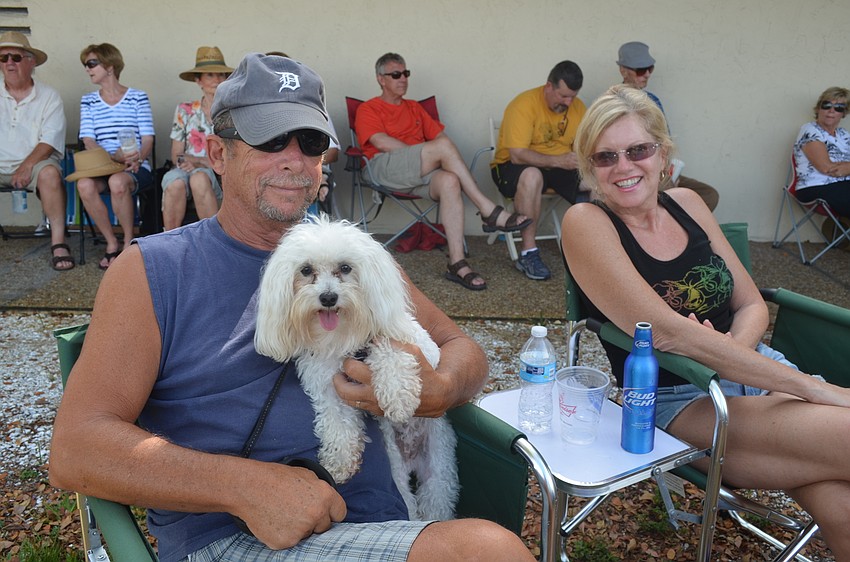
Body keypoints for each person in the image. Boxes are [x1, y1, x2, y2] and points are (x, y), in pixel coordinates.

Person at [50, 53, 534, 562]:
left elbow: (465, 352)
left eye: (309, 142)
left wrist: (438, 390)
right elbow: (76, 448)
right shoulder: (154, 270)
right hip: (238, 537)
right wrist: (244, 487)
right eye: (270, 140)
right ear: (217, 153)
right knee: (486, 554)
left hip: (386, 520)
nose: (293, 158)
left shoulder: (351, 259)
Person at [561, 84, 850, 559]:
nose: (624, 166)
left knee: (841, 508)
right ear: (590, 168)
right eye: (605, 157)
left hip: (753, 371)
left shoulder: (689, 205)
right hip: (681, 400)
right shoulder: (586, 221)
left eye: (638, 149)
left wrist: (732, 351)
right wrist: (814, 388)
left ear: (663, 152)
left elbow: (752, 304)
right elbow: (669, 333)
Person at [355, 52, 531, 291]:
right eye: (396, 74)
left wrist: (434, 156)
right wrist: (427, 155)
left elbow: (441, 139)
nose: (403, 79)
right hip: (383, 168)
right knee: (441, 149)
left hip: (417, 172)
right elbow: (381, 142)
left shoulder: (415, 108)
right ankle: (487, 209)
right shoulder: (369, 108)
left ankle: (457, 263)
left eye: (406, 73)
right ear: (380, 79)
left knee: (449, 180)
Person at [491, 60, 587, 281]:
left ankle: (606, 249)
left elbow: (584, 145)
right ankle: (528, 252)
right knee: (532, 175)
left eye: (572, 96)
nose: (569, 102)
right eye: (563, 96)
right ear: (549, 86)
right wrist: (559, 161)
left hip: (558, 165)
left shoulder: (578, 107)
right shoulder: (524, 104)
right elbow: (517, 154)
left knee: (595, 182)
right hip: (512, 167)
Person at [616, 41, 720, 211]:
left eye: (650, 68)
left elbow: (665, 141)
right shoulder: (612, 103)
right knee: (670, 197)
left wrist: (669, 171)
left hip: (661, 170)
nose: (647, 74)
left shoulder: (653, 100)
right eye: (641, 70)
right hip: (635, 173)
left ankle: (680, 230)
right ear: (623, 71)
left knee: (708, 195)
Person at [77, 43, 155, 269]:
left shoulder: (137, 97)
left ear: (109, 66)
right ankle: (111, 241)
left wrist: (137, 158)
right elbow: (88, 140)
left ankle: (128, 242)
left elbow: (148, 138)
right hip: (103, 165)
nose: (87, 69)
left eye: (91, 63)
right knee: (84, 185)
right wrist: (113, 157)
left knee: (118, 182)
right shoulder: (89, 101)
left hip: (135, 165)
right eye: (86, 65)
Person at [0, 31, 71, 270]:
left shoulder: (49, 96)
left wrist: (27, 165)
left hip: (35, 162)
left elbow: (49, 140)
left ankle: (58, 243)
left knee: (50, 174)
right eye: (4, 58)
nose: (9, 63)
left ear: (31, 62)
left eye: (16, 58)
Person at [161, 46, 233, 230]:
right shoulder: (185, 110)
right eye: (210, 75)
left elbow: (233, 156)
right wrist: (188, 162)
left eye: (221, 75)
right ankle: (170, 244)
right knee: (175, 182)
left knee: (199, 178)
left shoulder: (232, 112)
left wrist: (199, 161)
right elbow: (176, 154)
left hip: (219, 172)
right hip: (186, 168)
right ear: (198, 80)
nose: (217, 79)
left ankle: (216, 241)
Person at [792, 86, 850, 217]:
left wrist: (847, 167)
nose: (831, 111)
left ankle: (842, 230)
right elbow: (827, 168)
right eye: (826, 105)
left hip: (844, 185)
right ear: (818, 108)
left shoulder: (844, 134)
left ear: (844, 113)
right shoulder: (810, 130)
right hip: (817, 187)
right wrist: (844, 167)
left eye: (838, 108)